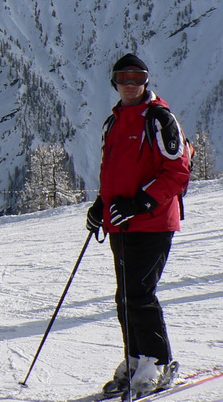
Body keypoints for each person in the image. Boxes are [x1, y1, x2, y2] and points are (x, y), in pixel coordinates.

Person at [85, 53, 190, 398]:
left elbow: (177, 172)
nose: (130, 84)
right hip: (122, 225)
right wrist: (103, 204)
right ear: (114, 83)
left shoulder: (159, 118)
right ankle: (135, 359)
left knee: (140, 295)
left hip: (153, 222)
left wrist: (140, 203)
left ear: (146, 80)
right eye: (123, 78)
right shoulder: (115, 121)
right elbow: (112, 172)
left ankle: (157, 362)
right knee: (125, 296)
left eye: (137, 77)